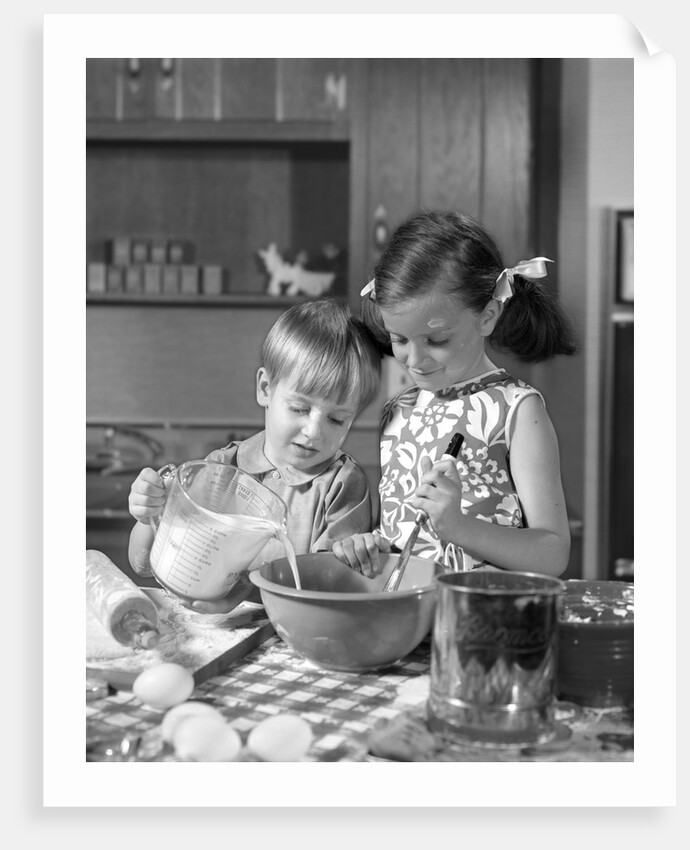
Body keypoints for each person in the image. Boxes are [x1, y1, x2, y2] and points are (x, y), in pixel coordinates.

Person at [332, 210, 578, 578]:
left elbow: (552, 553)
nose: (413, 360)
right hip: (404, 618)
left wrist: (459, 528)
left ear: (487, 316)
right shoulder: (398, 408)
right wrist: (367, 544)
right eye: (399, 339)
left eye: (437, 339)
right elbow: (399, 534)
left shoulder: (517, 410)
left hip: (482, 624)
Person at [127, 297, 381, 613]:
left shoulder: (341, 484)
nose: (314, 432)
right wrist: (146, 516)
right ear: (265, 389)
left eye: (337, 419)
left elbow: (324, 587)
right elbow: (143, 563)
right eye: (300, 408)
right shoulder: (220, 470)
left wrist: (243, 590)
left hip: (291, 640)